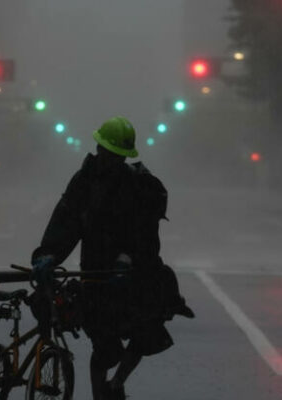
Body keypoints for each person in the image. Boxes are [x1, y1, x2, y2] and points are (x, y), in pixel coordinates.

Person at [31, 116, 194, 400]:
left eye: (117, 155)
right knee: (104, 348)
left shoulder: (138, 186)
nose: (110, 159)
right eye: (107, 152)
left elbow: (145, 235)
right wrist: (48, 255)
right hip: (94, 275)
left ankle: (117, 384)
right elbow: (66, 220)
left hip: (130, 277)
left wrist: (129, 259)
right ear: (98, 148)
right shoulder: (84, 181)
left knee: (145, 330)